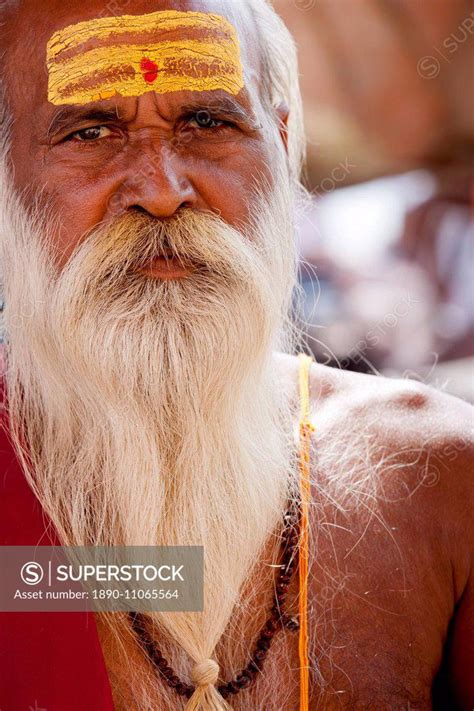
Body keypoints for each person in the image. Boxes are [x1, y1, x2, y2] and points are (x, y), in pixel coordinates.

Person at [0, 1, 472, 710]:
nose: (161, 191)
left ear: (281, 147)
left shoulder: (440, 481)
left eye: (208, 123)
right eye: (91, 131)